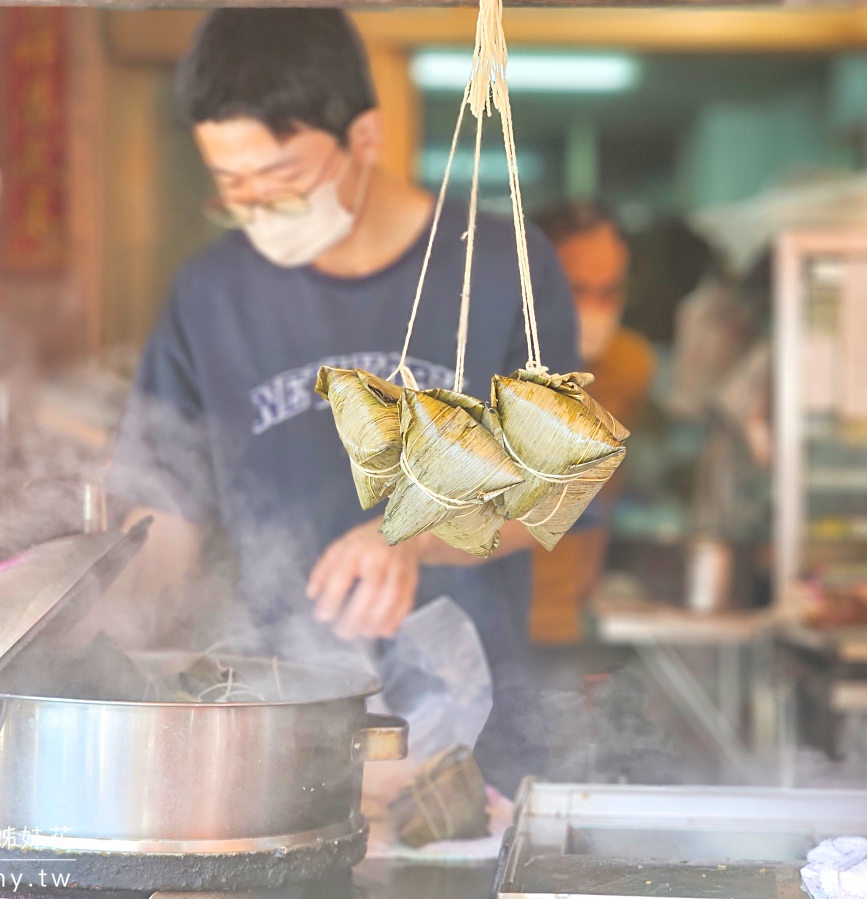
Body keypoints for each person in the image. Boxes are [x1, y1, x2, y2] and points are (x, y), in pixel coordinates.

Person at [104, 9, 580, 793]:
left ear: (365, 136)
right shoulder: (209, 294)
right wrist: (91, 610)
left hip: (470, 748)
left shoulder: (500, 267)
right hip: (269, 738)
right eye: (232, 188)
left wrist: (415, 534)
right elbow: (167, 514)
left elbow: (554, 489)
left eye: (284, 180)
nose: (260, 211)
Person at [529, 203, 655, 645]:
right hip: (485, 615)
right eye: (577, 290)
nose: (594, 309)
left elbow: (605, 486)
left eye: (609, 292)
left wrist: (587, 590)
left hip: (562, 619)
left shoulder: (628, 366)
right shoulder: (485, 363)